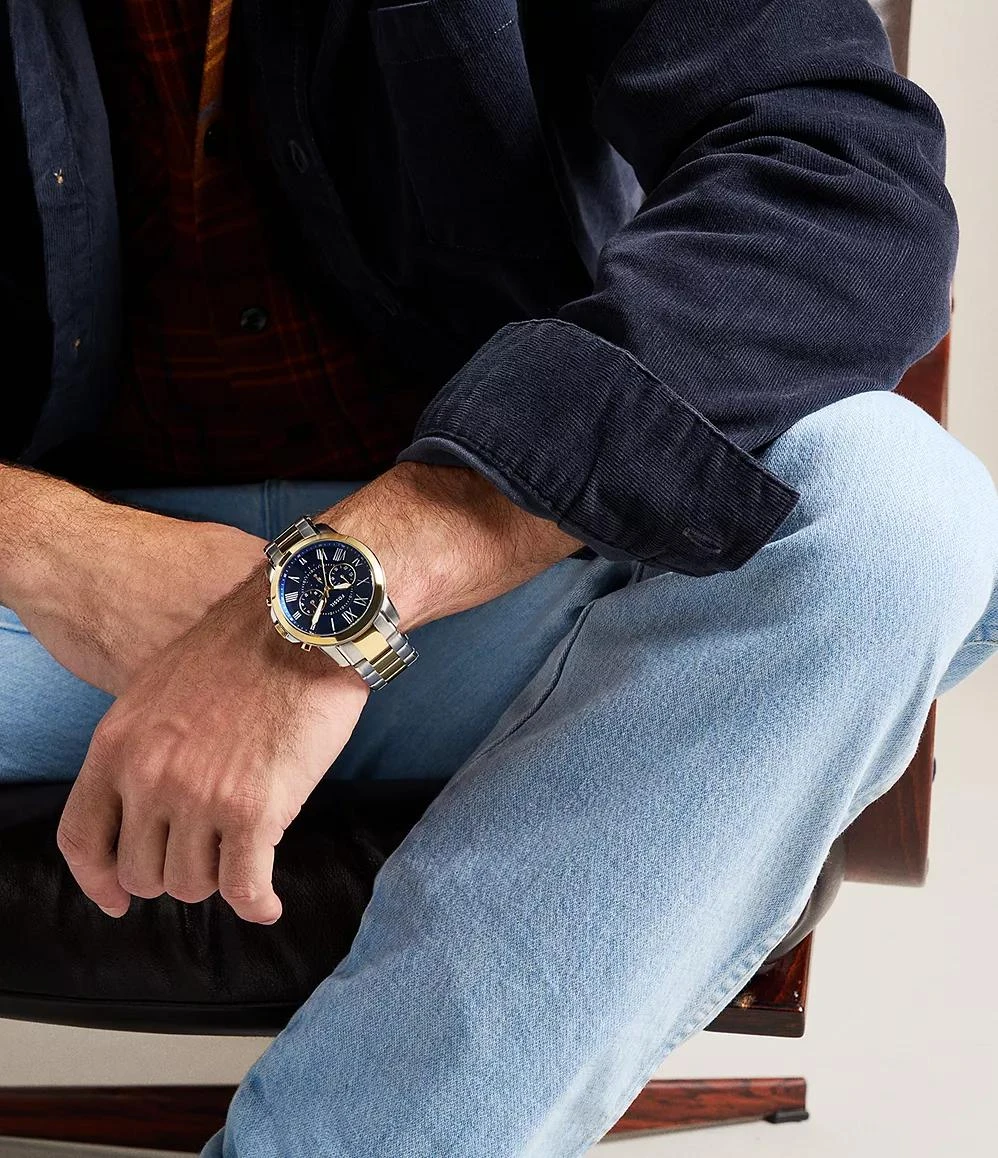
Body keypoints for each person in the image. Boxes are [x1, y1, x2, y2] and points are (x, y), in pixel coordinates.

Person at [1, 0, 996, 1153]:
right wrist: (49, 545)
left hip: (503, 585)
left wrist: (342, 589)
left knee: (888, 516)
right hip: (48, 626)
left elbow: (832, 178)